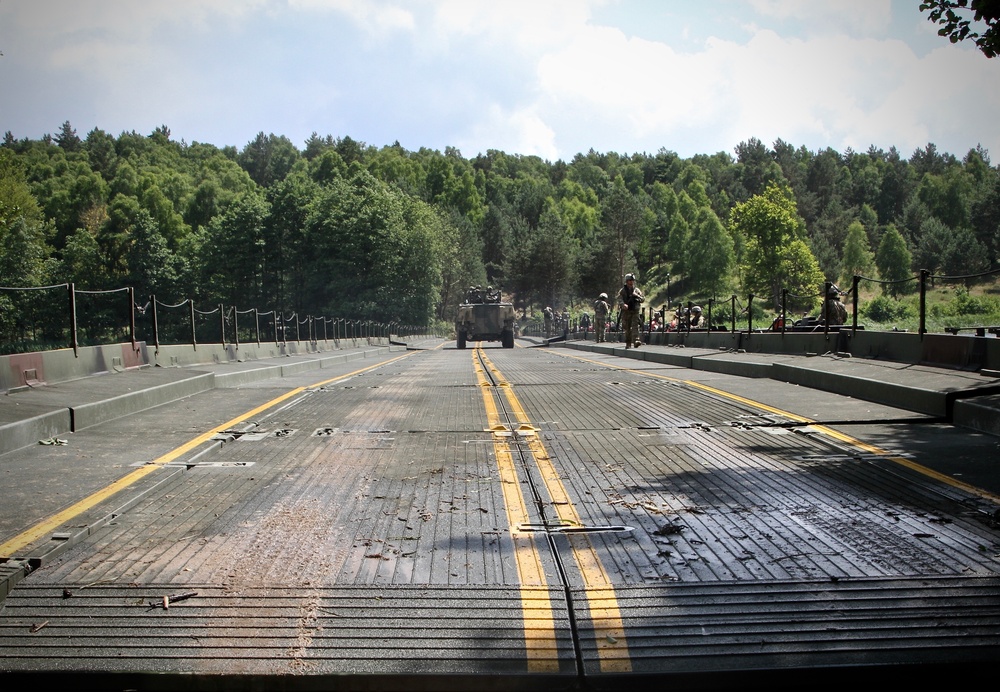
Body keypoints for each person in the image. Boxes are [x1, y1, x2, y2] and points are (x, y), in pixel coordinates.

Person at [617, 273, 644, 349]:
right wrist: (623, 305)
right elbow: (619, 299)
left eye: (632, 280)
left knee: (635, 326)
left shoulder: (637, 290)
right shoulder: (622, 291)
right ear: (626, 281)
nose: (631, 282)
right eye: (630, 280)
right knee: (627, 328)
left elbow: (642, 299)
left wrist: (637, 295)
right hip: (626, 312)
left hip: (635, 311)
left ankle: (636, 340)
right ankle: (628, 343)